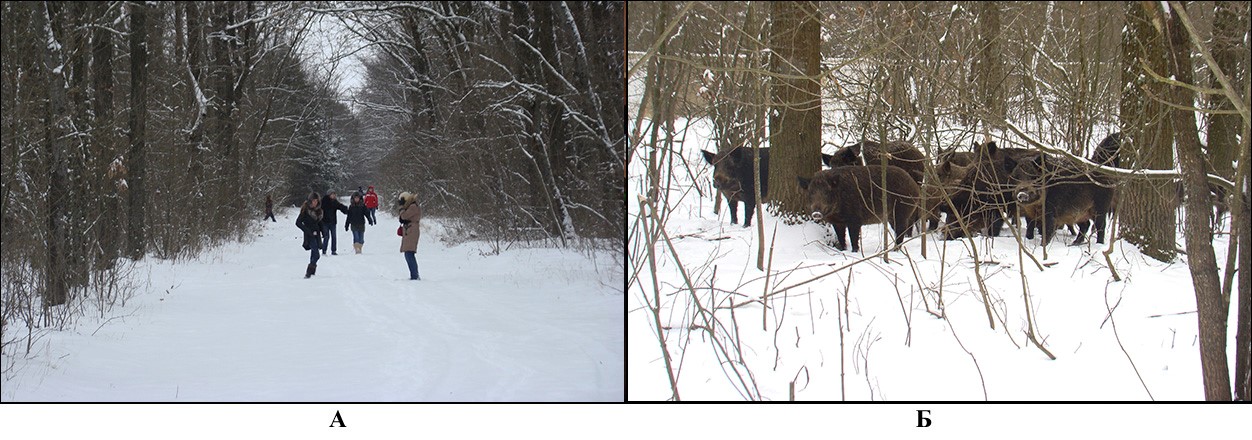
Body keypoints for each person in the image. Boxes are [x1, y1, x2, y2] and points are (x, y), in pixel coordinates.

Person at [295, 193, 324, 278]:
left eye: (316, 201)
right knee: (316, 253)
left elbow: (320, 222)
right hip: (309, 235)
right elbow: (298, 223)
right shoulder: (305, 210)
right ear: (310, 201)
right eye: (313, 201)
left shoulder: (319, 210)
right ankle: (309, 270)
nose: (315, 202)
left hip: (317, 234)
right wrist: (306, 230)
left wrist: (323, 231)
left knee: (314, 252)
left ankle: (312, 270)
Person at [398, 191, 422, 280]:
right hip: (409, 230)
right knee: (408, 253)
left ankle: (414, 275)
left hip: (412, 230)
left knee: (409, 252)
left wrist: (401, 208)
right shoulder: (411, 206)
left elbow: (404, 216)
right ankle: (414, 274)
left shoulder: (413, 206)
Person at [321, 191, 349, 255]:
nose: (333, 196)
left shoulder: (334, 202)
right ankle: (324, 250)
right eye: (332, 194)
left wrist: (346, 210)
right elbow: (319, 209)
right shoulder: (324, 201)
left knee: (334, 236)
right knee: (326, 237)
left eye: (334, 194)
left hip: (333, 222)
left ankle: (333, 250)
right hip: (325, 222)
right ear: (329, 195)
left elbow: (340, 206)